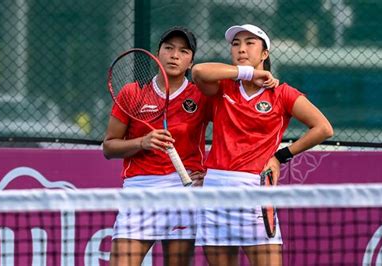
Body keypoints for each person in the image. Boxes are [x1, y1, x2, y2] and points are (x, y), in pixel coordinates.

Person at [192, 24, 333, 266]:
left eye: (249, 43)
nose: (241, 49)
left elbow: (323, 128)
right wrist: (246, 73)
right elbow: (198, 71)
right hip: (215, 189)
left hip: (254, 190)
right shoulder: (223, 87)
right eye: (236, 44)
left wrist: (280, 156)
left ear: (264, 54)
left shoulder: (282, 93)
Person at [103, 26, 211, 266]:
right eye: (169, 48)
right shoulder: (133, 93)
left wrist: (210, 174)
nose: (175, 55)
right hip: (141, 190)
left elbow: (231, 132)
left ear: (191, 61)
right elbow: (109, 147)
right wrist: (143, 142)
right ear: (158, 53)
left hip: (184, 191)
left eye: (183, 51)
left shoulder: (201, 95)